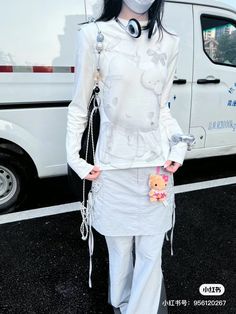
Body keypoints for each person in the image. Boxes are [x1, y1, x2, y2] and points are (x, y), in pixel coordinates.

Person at [66, 0, 188, 313]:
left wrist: (178, 146)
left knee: (150, 254)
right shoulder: (95, 35)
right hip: (111, 168)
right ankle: (121, 302)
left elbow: (162, 108)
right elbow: (79, 106)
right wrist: (75, 158)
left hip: (155, 169)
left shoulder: (170, 40)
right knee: (119, 253)